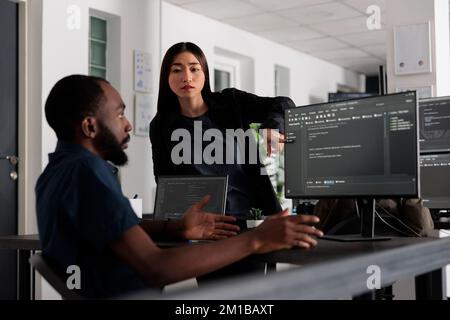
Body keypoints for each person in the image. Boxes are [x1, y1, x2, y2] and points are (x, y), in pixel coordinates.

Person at [36, 75, 323, 299]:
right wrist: (255, 239)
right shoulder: (88, 173)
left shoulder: (57, 172)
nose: (127, 125)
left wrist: (174, 229)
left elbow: (116, 230)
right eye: (120, 114)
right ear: (89, 127)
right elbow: (157, 268)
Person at [150, 42, 294, 224]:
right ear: (166, 77)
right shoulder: (161, 125)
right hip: (204, 227)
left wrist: (273, 128)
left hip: (251, 220)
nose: (187, 77)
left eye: (194, 69)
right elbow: (164, 183)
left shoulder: (231, 103)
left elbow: (283, 103)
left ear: (205, 74)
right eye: (177, 70)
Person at [313, 198, 434, 237]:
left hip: (345, 262)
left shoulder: (339, 189)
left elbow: (319, 227)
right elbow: (422, 228)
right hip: (390, 261)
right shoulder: (400, 188)